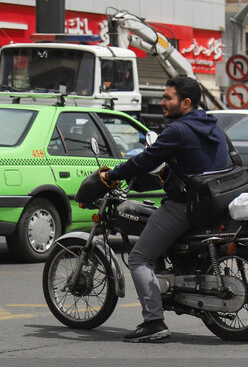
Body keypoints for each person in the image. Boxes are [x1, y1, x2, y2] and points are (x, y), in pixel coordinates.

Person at [98, 76, 232, 343]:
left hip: (185, 206)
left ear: (185, 102)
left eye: (168, 97)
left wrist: (113, 175)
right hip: (216, 201)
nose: (162, 102)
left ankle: (153, 321)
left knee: (139, 258)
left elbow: (145, 160)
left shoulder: (177, 130)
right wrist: (170, 175)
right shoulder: (213, 126)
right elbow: (198, 161)